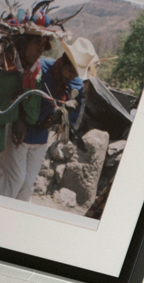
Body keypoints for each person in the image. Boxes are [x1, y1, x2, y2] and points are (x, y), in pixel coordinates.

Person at [0, 37, 95, 200]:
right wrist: (18, 120)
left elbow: (69, 120)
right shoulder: (40, 68)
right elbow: (18, 94)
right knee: (15, 179)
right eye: (70, 71)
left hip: (41, 138)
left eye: (77, 73)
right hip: (20, 133)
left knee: (28, 185)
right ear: (63, 61)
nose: (72, 77)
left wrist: (59, 118)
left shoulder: (76, 85)